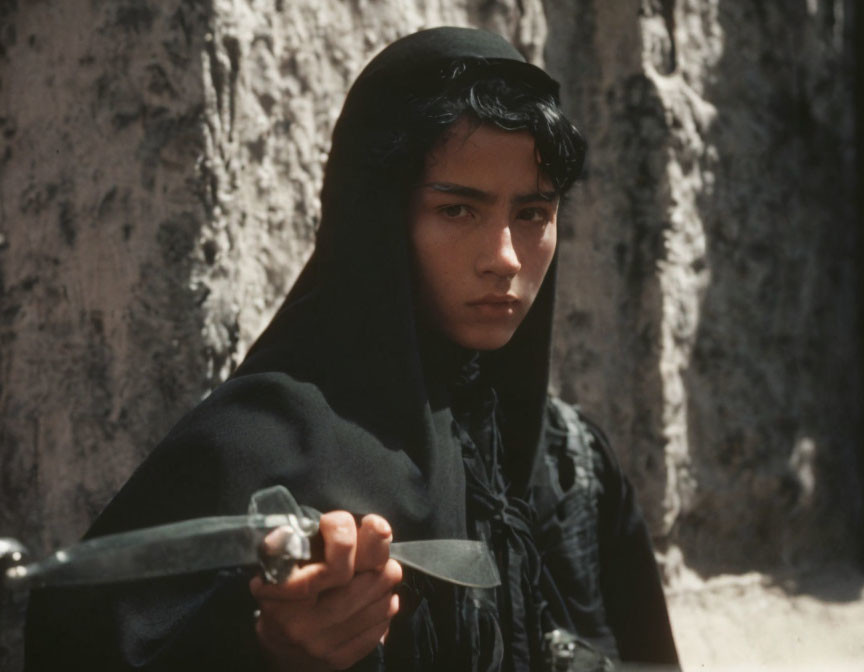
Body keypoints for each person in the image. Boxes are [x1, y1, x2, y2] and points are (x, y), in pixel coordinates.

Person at [24, 27, 679, 671]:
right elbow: (80, 637)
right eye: (458, 210)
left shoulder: (568, 466)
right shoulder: (260, 448)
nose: (504, 258)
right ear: (380, 215)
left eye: (533, 213)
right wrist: (265, 649)